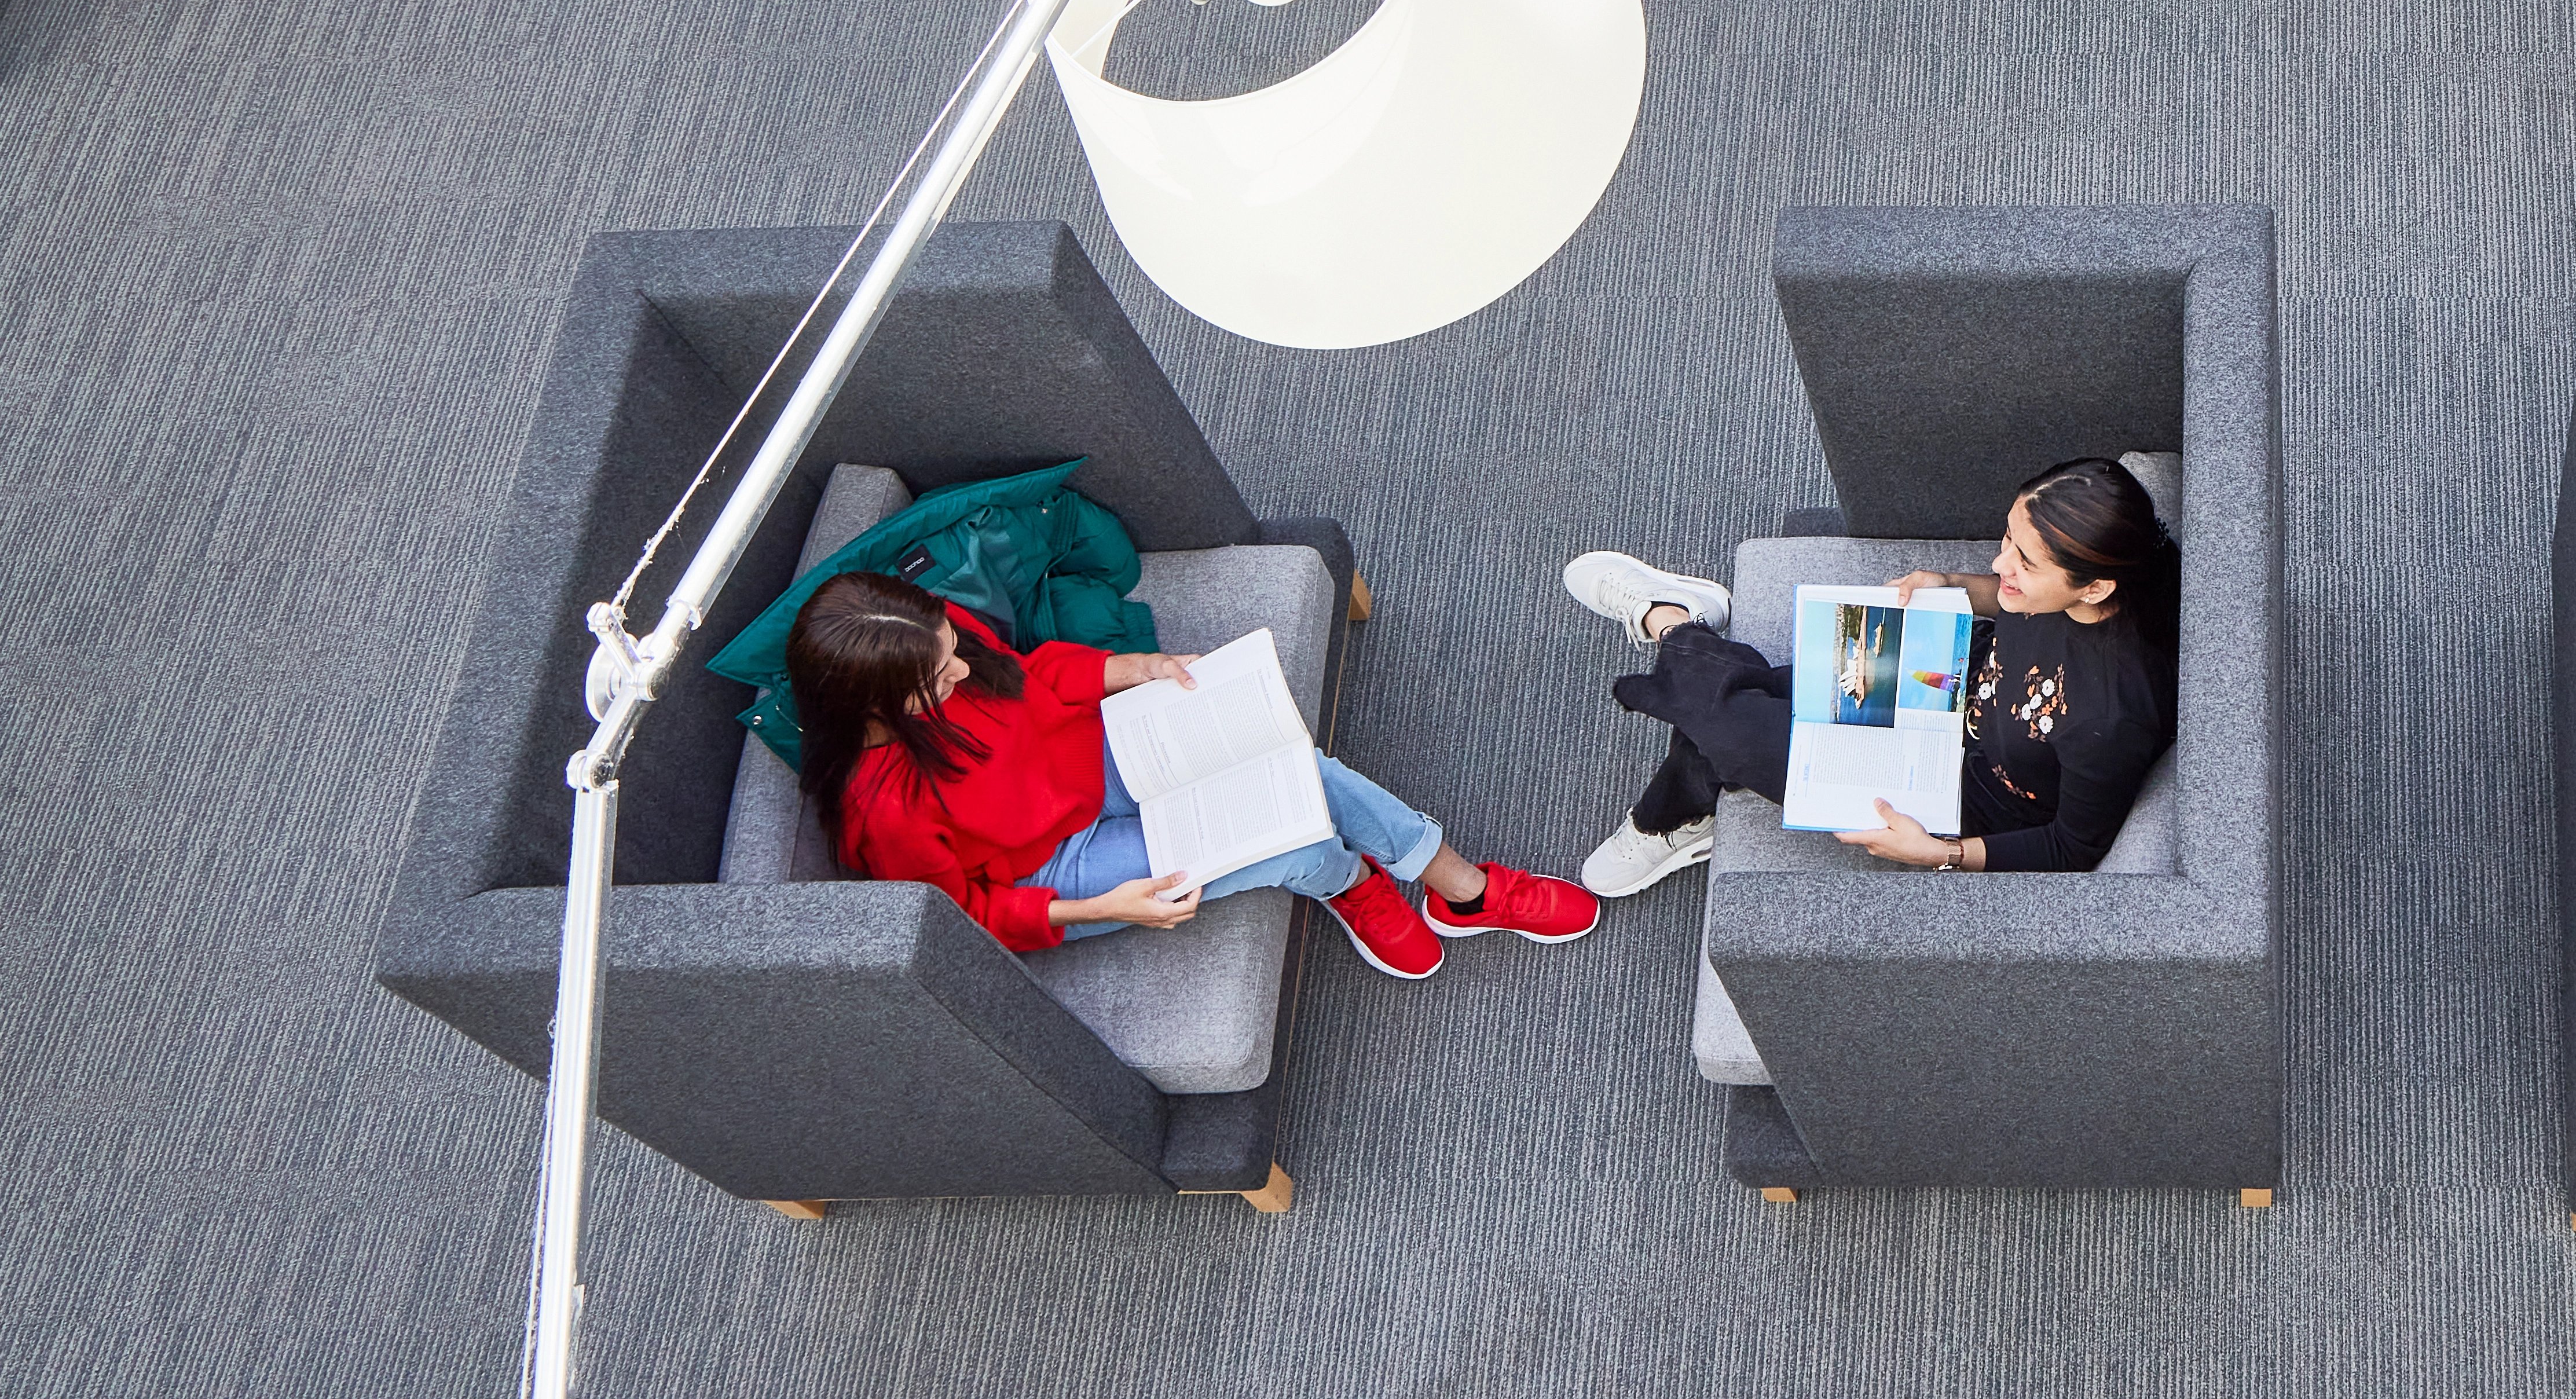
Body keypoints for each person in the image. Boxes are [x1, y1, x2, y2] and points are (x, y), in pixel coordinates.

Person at [785, 570, 1595, 980]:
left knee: (1295, 764)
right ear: (878, 701)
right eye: (938, 675)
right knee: (1285, 838)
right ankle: (1346, 880)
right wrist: (1103, 908)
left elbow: (1029, 677)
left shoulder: (937, 635)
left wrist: (1135, 668)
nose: (961, 666)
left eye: (951, 647)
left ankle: (1463, 888)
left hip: (1091, 754)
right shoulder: (882, 805)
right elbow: (965, 911)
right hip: (1050, 867)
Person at [1566, 455, 2179, 895]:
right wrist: (1948, 585)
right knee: (1733, 715)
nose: (1999, 564)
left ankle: (1672, 625)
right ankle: (1681, 676)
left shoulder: (2111, 716)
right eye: (2008, 540)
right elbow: (2007, 597)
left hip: (1969, 790)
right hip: (1943, 673)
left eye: (2025, 562)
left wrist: (1939, 854)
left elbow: (2072, 849)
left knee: (1731, 728)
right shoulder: (2070, 587)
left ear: (2097, 586)